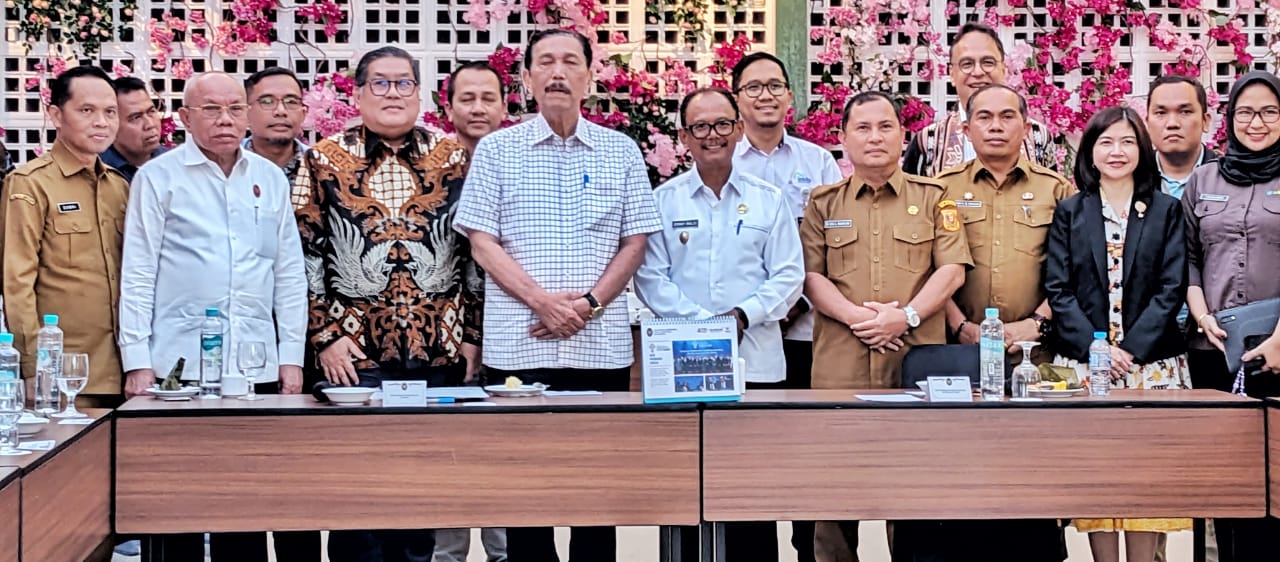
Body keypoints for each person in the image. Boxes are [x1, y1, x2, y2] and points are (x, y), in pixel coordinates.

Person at [454, 28, 662, 562]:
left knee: (597, 495)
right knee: (527, 496)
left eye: (570, 61)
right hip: (519, 346)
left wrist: (588, 305)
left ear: (590, 76)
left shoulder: (620, 150)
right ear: (526, 78)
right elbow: (482, 242)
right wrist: (543, 302)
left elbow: (635, 242)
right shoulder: (498, 150)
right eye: (545, 62)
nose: (557, 72)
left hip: (600, 348)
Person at [294, 46, 485, 562]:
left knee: (422, 488)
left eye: (404, 83)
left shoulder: (455, 159)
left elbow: (475, 255)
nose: (393, 93)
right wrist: (324, 337)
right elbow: (304, 254)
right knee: (358, 490)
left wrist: (472, 336)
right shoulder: (322, 159)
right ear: (358, 94)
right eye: (380, 83)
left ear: (420, 95)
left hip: (439, 351)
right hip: (355, 356)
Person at [118, 71, 308, 562]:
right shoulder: (157, 178)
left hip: (254, 364)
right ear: (184, 117)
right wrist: (137, 360)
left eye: (235, 109)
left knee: (245, 499)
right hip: (176, 365)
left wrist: (291, 357)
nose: (225, 119)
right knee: (177, 502)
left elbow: (289, 273)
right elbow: (137, 272)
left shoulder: (268, 178)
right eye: (211, 110)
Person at [800, 91, 971, 562]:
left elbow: (952, 270)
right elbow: (811, 276)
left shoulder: (934, 197)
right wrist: (857, 318)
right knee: (835, 492)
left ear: (903, 135)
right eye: (863, 128)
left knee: (915, 488)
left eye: (885, 127)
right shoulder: (823, 203)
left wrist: (906, 317)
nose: (874, 137)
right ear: (843, 138)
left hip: (914, 367)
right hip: (840, 368)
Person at [634, 87, 803, 562]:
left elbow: (789, 275)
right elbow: (650, 278)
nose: (713, 135)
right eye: (701, 127)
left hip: (757, 367)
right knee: (685, 495)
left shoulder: (769, 201)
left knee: (752, 494)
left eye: (723, 124)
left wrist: (741, 316)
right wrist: (707, 329)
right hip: (680, 369)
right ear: (684, 136)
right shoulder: (663, 201)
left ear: (739, 128)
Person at [926, 84, 1073, 562]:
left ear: (1025, 127)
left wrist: (1037, 324)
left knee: (1031, 479)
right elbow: (927, 266)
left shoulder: (1056, 190)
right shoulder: (941, 189)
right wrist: (960, 326)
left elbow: (1075, 269)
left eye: (1007, 117)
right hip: (960, 353)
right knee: (959, 476)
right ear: (966, 129)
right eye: (984, 117)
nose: (995, 126)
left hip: (1035, 357)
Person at [1045, 106, 1191, 562]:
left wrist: (1129, 349)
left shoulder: (1166, 209)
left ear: (1142, 149)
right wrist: (1098, 348)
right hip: (1087, 366)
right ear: (1090, 151)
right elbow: (1058, 288)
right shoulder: (1071, 211)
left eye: (1127, 141)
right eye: (1106, 142)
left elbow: (1172, 288)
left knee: (1147, 478)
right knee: (1098, 475)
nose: (1117, 151)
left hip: (1152, 366)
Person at [729, 50, 840, 562]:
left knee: (809, 457)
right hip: (746, 339)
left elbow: (832, 243)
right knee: (752, 461)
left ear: (790, 96)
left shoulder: (817, 162)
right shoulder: (723, 160)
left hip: (806, 334)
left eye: (775, 85)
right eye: (753, 87)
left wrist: (792, 302)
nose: (765, 95)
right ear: (737, 99)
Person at [1183, 71, 1280, 562]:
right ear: (1229, 118)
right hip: (1216, 349)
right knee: (1227, 481)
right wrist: (1200, 313)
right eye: (1245, 112)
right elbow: (1188, 258)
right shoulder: (1203, 180)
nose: (1256, 122)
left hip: (1278, 352)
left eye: (1269, 112)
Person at [1, 66, 131, 408]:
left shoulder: (119, 186)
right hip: (62, 375)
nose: (101, 122)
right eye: (86, 110)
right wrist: (32, 367)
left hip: (122, 372)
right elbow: (16, 282)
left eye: (110, 112)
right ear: (56, 115)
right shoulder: (30, 184)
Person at [431, 59, 510, 562]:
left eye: (488, 98)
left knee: (504, 459)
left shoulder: (520, 164)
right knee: (449, 459)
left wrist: (482, 334)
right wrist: (462, 334)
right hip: (443, 341)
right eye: (467, 98)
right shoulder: (431, 171)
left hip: (510, 331)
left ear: (505, 105)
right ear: (449, 107)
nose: (478, 108)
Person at [1144, 72, 1219, 562]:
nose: (1173, 122)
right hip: (1149, 348)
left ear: (1206, 120)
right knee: (1154, 470)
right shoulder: (1127, 176)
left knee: (1215, 470)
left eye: (1185, 111)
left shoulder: (1231, 175)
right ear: (1147, 121)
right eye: (1162, 112)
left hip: (1214, 343)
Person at [903, 22, 1058, 177]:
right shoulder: (928, 142)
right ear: (952, 74)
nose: (978, 72)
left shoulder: (1038, 137)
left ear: (1003, 70)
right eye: (967, 64)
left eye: (988, 62)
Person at [244, 67, 309, 182]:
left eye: (291, 101)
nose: (280, 111)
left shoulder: (322, 165)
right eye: (267, 102)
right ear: (245, 113)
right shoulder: (225, 164)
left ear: (303, 114)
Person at [100, 76, 166, 183]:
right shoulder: (97, 172)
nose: (150, 124)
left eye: (151, 112)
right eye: (136, 117)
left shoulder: (174, 163)